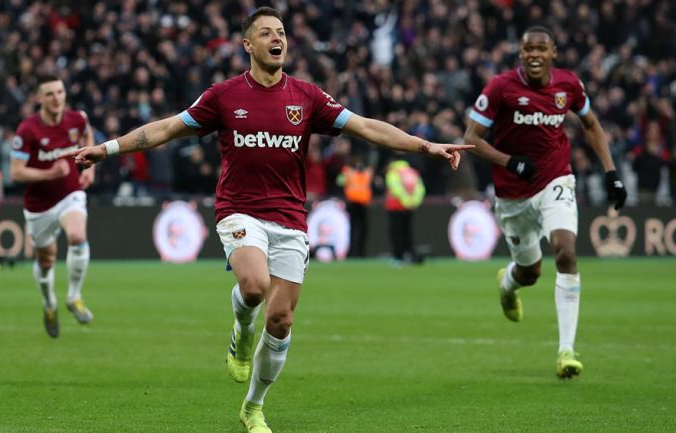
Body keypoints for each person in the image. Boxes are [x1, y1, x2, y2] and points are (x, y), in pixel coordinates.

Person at [70, 7, 471, 433]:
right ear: (248, 45)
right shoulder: (223, 97)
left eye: (280, 32)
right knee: (254, 286)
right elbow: (167, 129)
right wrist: (108, 148)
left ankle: (253, 407)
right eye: (266, 33)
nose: (276, 38)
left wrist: (424, 146)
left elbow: (366, 128)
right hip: (239, 209)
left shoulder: (307, 97)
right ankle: (242, 329)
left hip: (291, 218)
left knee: (281, 320)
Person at [464, 26, 628, 379]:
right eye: (528, 49)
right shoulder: (500, 87)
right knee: (531, 272)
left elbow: (592, 125)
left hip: (556, 178)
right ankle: (508, 284)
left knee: (566, 251)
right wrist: (510, 161)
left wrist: (611, 172)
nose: (535, 54)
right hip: (512, 193)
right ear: (521, 54)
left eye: (542, 48)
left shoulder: (568, 85)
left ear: (553, 52)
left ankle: (566, 351)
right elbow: (470, 139)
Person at [10, 75, 96, 339]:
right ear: (39, 99)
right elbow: (16, 173)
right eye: (50, 94)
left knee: (77, 236)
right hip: (39, 206)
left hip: (71, 193)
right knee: (46, 261)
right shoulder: (27, 130)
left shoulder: (76, 119)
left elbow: (87, 133)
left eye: (60, 92)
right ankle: (49, 303)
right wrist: (50, 174)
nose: (57, 98)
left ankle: (74, 296)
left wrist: (89, 167)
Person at [384, 158, 425, 263]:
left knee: (396, 233)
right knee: (407, 233)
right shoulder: (412, 172)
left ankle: (398, 257)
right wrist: (413, 202)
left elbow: (395, 188)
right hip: (409, 207)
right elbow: (420, 188)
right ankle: (409, 255)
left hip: (395, 207)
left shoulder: (393, 172)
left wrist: (406, 201)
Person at [338, 153, 373, 257]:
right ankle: (352, 252)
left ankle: (361, 252)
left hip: (363, 203)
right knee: (353, 229)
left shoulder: (366, 171)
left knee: (362, 229)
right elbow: (340, 181)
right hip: (352, 203)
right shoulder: (348, 170)